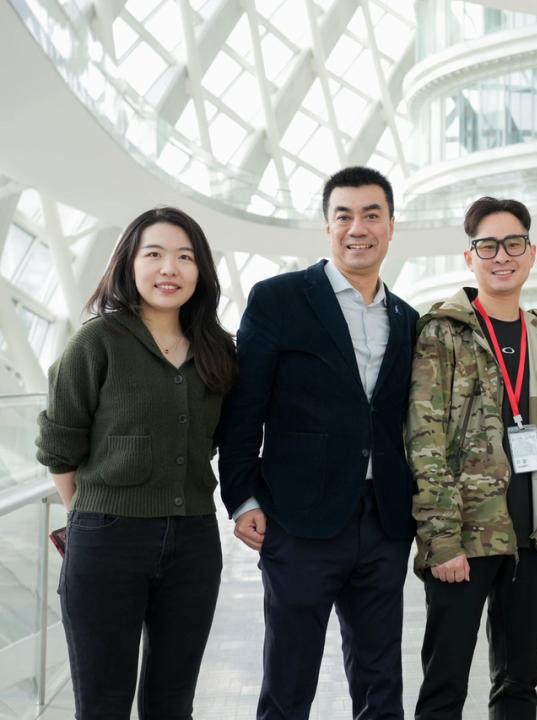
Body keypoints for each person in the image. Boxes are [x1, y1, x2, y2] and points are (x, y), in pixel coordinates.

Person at [216, 166, 419, 719]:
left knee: (381, 680)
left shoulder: (406, 318)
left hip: (383, 523)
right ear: (327, 226)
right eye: (344, 215)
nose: (358, 228)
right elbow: (244, 409)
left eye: (372, 215)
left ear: (391, 226)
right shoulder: (279, 299)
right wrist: (242, 497)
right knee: (289, 679)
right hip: (298, 520)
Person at [35, 207, 237, 719]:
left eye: (185, 257)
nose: (170, 268)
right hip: (107, 540)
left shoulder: (217, 350)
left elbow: (223, 439)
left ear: (201, 270)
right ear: (129, 263)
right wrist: (90, 517)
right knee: (103, 704)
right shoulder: (96, 340)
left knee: (173, 705)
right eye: (154, 254)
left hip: (194, 543)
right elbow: (59, 445)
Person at [408, 196, 537, 719]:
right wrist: (441, 540)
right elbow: (424, 440)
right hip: (464, 539)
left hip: (531, 539)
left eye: (513, 244)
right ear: (470, 257)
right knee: (444, 685)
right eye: (488, 246)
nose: (502, 256)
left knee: (519, 684)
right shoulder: (443, 332)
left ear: (531, 253)